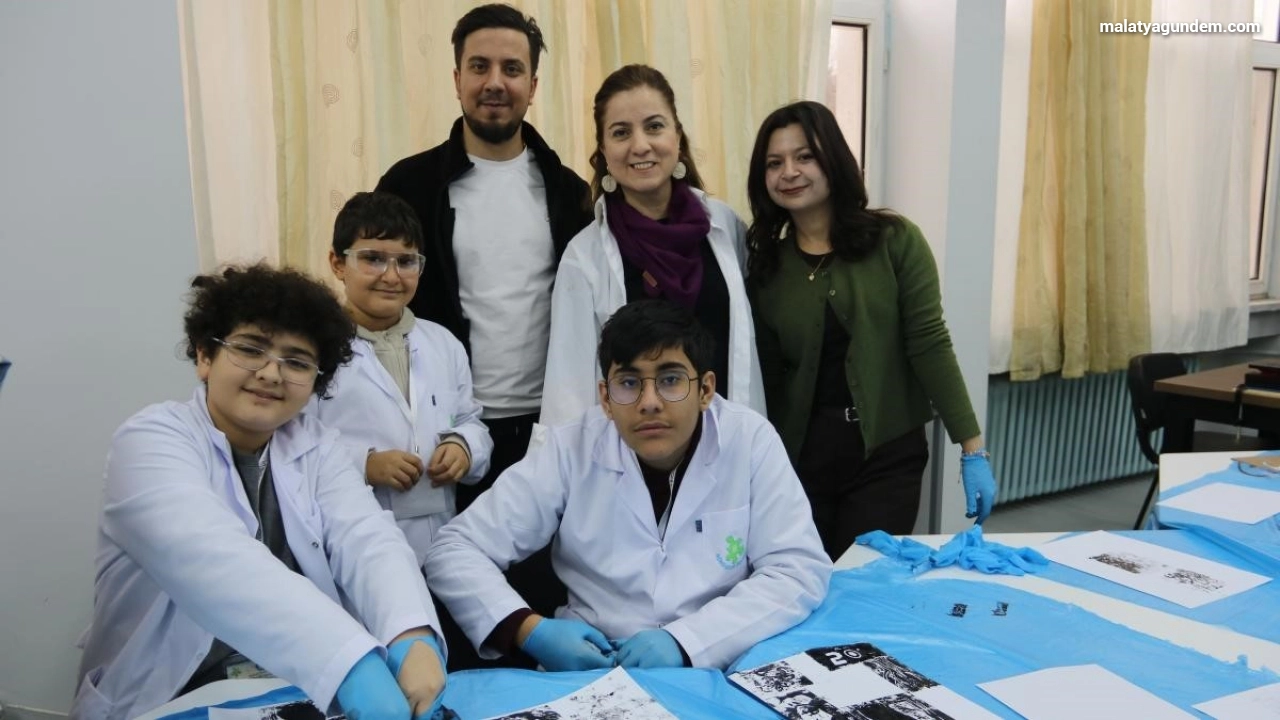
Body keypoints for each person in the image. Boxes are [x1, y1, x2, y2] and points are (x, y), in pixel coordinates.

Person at [73, 265, 446, 720]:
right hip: (168, 694)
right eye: (250, 349)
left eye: (297, 361)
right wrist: (350, 663)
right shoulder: (150, 441)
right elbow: (215, 561)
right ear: (205, 356)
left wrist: (410, 632)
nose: (271, 373)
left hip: (290, 686)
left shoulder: (317, 446)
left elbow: (367, 539)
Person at [423, 300, 830, 671]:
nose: (649, 402)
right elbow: (454, 549)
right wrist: (528, 630)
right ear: (605, 397)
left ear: (705, 389)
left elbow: (797, 569)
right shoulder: (570, 449)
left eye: (670, 380)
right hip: (595, 667)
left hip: (718, 663)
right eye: (630, 383)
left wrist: (688, 641)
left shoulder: (750, 440)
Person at [745, 101, 997, 560]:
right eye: (774, 163)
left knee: (865, 577)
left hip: (886, 454)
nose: (789, 172)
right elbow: (766, 373)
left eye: (804, 156)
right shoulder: (766, 266)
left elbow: (929, 343)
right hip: (800, 459)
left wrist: (972, 449)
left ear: (833, 159)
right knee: (805, 580)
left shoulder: (894, 240)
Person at [376, 3, 592, 510]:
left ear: (532, 86)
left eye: (511, 69)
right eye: (480, 66)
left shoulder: (569, 193)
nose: (495, 82)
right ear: (457, 79)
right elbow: (376, 299)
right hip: (442, 435)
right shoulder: (409, 185)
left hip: (550, 428)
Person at [537, 65, 765, 442]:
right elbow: (569, 390)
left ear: (677, 137)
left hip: (728, 447)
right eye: (621, 132)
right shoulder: (584, 257)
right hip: (635, 457)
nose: (640, 145)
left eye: (654, 126)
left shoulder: (725, 227)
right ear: (603, 151)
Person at [310, 192, 493, 565]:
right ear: (338, 263)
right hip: (352, 545)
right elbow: (292, 445)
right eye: (373, 259)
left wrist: (464, 446)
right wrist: (364, 465)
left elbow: (471, 420)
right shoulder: (312, 350)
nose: (391, 276)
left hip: (441, 538)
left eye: (406, 261)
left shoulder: (443, 343)